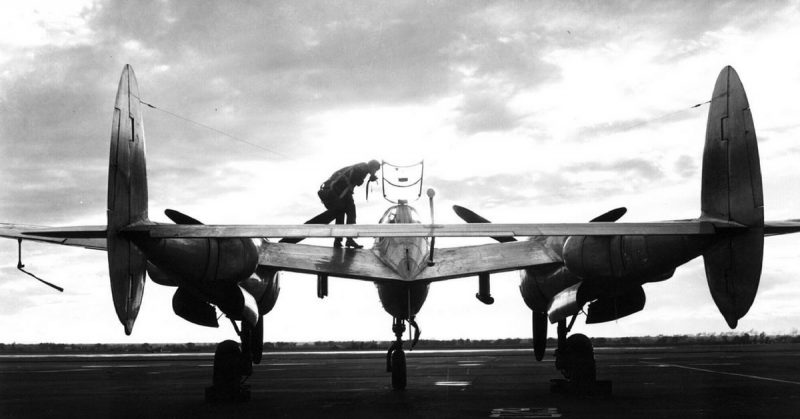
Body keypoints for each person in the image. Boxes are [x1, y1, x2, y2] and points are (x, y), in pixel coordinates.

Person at [318, 159, 381, 248]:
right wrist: (372, 176)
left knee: (340, 215)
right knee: (351, 214)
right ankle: (349, 240)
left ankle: (338, 241)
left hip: (339, 192)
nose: (375, 171)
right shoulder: (363, 168)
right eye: (375, 169)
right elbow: (358, 181)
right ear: (372, 166)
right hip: (344, 193)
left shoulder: (361, 165)